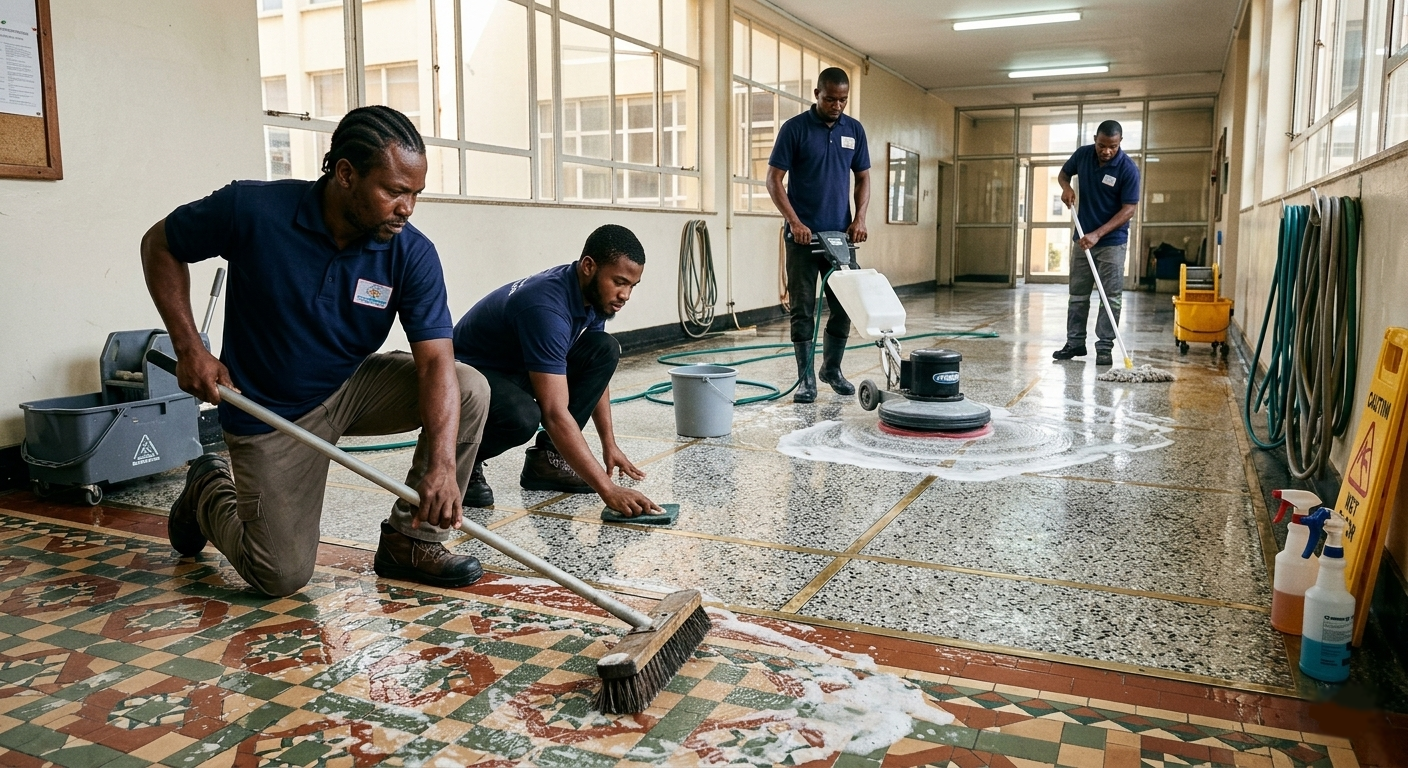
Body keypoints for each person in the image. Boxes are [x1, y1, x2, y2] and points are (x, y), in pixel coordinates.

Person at [141, 105, 489, 597]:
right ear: (345, 174)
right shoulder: (252, 210)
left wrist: (443, 469)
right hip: (267, 411)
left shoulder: (410, 252)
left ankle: (413, 540)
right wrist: (190, 347)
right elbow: (160, 243)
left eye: (415, 193)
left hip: (349, 387)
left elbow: (434, 361)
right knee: (279, 575)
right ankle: (206, 490)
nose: (407, 207)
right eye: (394, 191)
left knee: (469, 385)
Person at [453, 225, 663, 518]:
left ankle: (549, 459)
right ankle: (458, 458)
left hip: (514, 366)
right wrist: (608, 490)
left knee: (603, 348)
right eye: (619, 282)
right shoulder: (546, 307)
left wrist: (609, 443)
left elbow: (595, 374)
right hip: (466, 374)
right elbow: (553, 412)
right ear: (589, 266)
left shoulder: (589, 295)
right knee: (523, 415)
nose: (625, 294)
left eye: (632, 286)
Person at [766, 66, 871, 404]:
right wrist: (794, 222)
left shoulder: (854, 130)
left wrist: (860, 219)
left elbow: (864, 178)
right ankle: (806, 378)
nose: (836, 105)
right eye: (830, 99)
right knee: (802, 309)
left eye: (842, 100)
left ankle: (832, 369)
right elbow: (773, 180)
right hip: (802, 238)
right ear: (817, 94)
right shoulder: (794, 129)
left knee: (845, 306)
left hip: (840, 236)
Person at [1052, 120, 1141, 367]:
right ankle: (1075, 342)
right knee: (1077, 294)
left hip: (1111, 242)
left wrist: (1098, 235)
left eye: (1112, 146)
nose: (1106, 151)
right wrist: (1066, 186)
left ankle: (1104, 347)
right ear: (1095, 139)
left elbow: (1129, 210)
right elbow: (1063, 173)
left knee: (1109, 296)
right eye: (1102, 145)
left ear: (1120, 142)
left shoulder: (1127, 169)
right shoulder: (1083, 155)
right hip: (1082, 239)